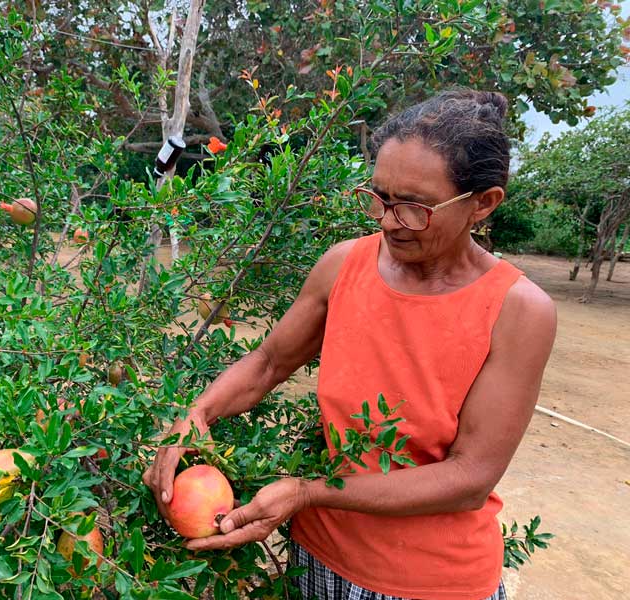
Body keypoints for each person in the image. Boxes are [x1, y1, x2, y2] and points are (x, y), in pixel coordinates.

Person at [143, 89, 557, 600]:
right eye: (379, 197)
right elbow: (269, 362)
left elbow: (470, 476)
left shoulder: (519, 310)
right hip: (318, 557)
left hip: (430, 582)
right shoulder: (344, 265)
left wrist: (308, 492)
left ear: (483, 204)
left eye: (414, 207)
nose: (387, 221)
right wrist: (197, 415)